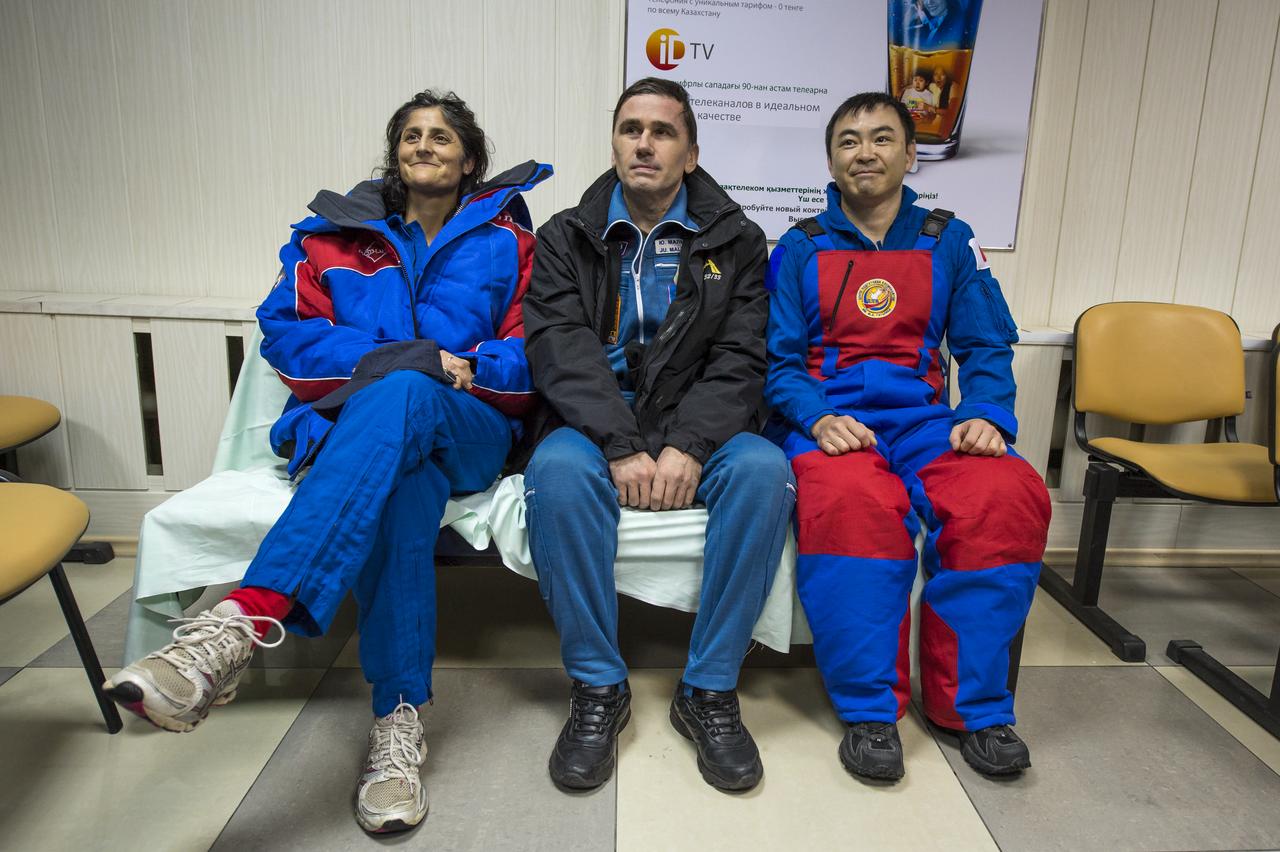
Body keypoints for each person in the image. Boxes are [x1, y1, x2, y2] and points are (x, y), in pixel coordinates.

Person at [104, 90, 551, 833]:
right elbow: (290, 338)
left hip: (469, 427)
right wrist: (414, 358)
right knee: (403, 488)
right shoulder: (327, 240)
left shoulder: (510, 242)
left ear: (471, 159)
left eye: (442, 137)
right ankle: (397, 724)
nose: (424, 145)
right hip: (357, 431)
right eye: (411, 135)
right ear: (395, 153)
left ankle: (243, 619)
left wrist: (454, 368)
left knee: (407, 394)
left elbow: (530, 354)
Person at [764, 91, 1050, 783]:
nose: (865, 152)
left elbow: (985, 345)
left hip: (927, 422)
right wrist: (816, 418)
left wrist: (987, 413)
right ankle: (870, 711)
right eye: (849, 141)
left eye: (882, 138)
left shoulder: (949, 239)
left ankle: (972, 708)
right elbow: (777, 364)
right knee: (854, 509)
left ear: (910, 154)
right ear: (830, 161)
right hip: (831, 424)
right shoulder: (798, 247)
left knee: (1003, 495)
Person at [521, 77, 794, 793]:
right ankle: (597, 684)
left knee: (765, 471)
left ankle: (709, 687)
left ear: (690, 154)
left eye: (662, 131)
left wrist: (689, 445)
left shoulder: (737, 240)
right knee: (555, 473)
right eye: (630, 129)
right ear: (614, 144)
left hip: (696, 417)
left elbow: (741, 358)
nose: (644, 144)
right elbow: (559, 350)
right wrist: (620, 444)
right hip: (596, 419)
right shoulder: (564, 236)